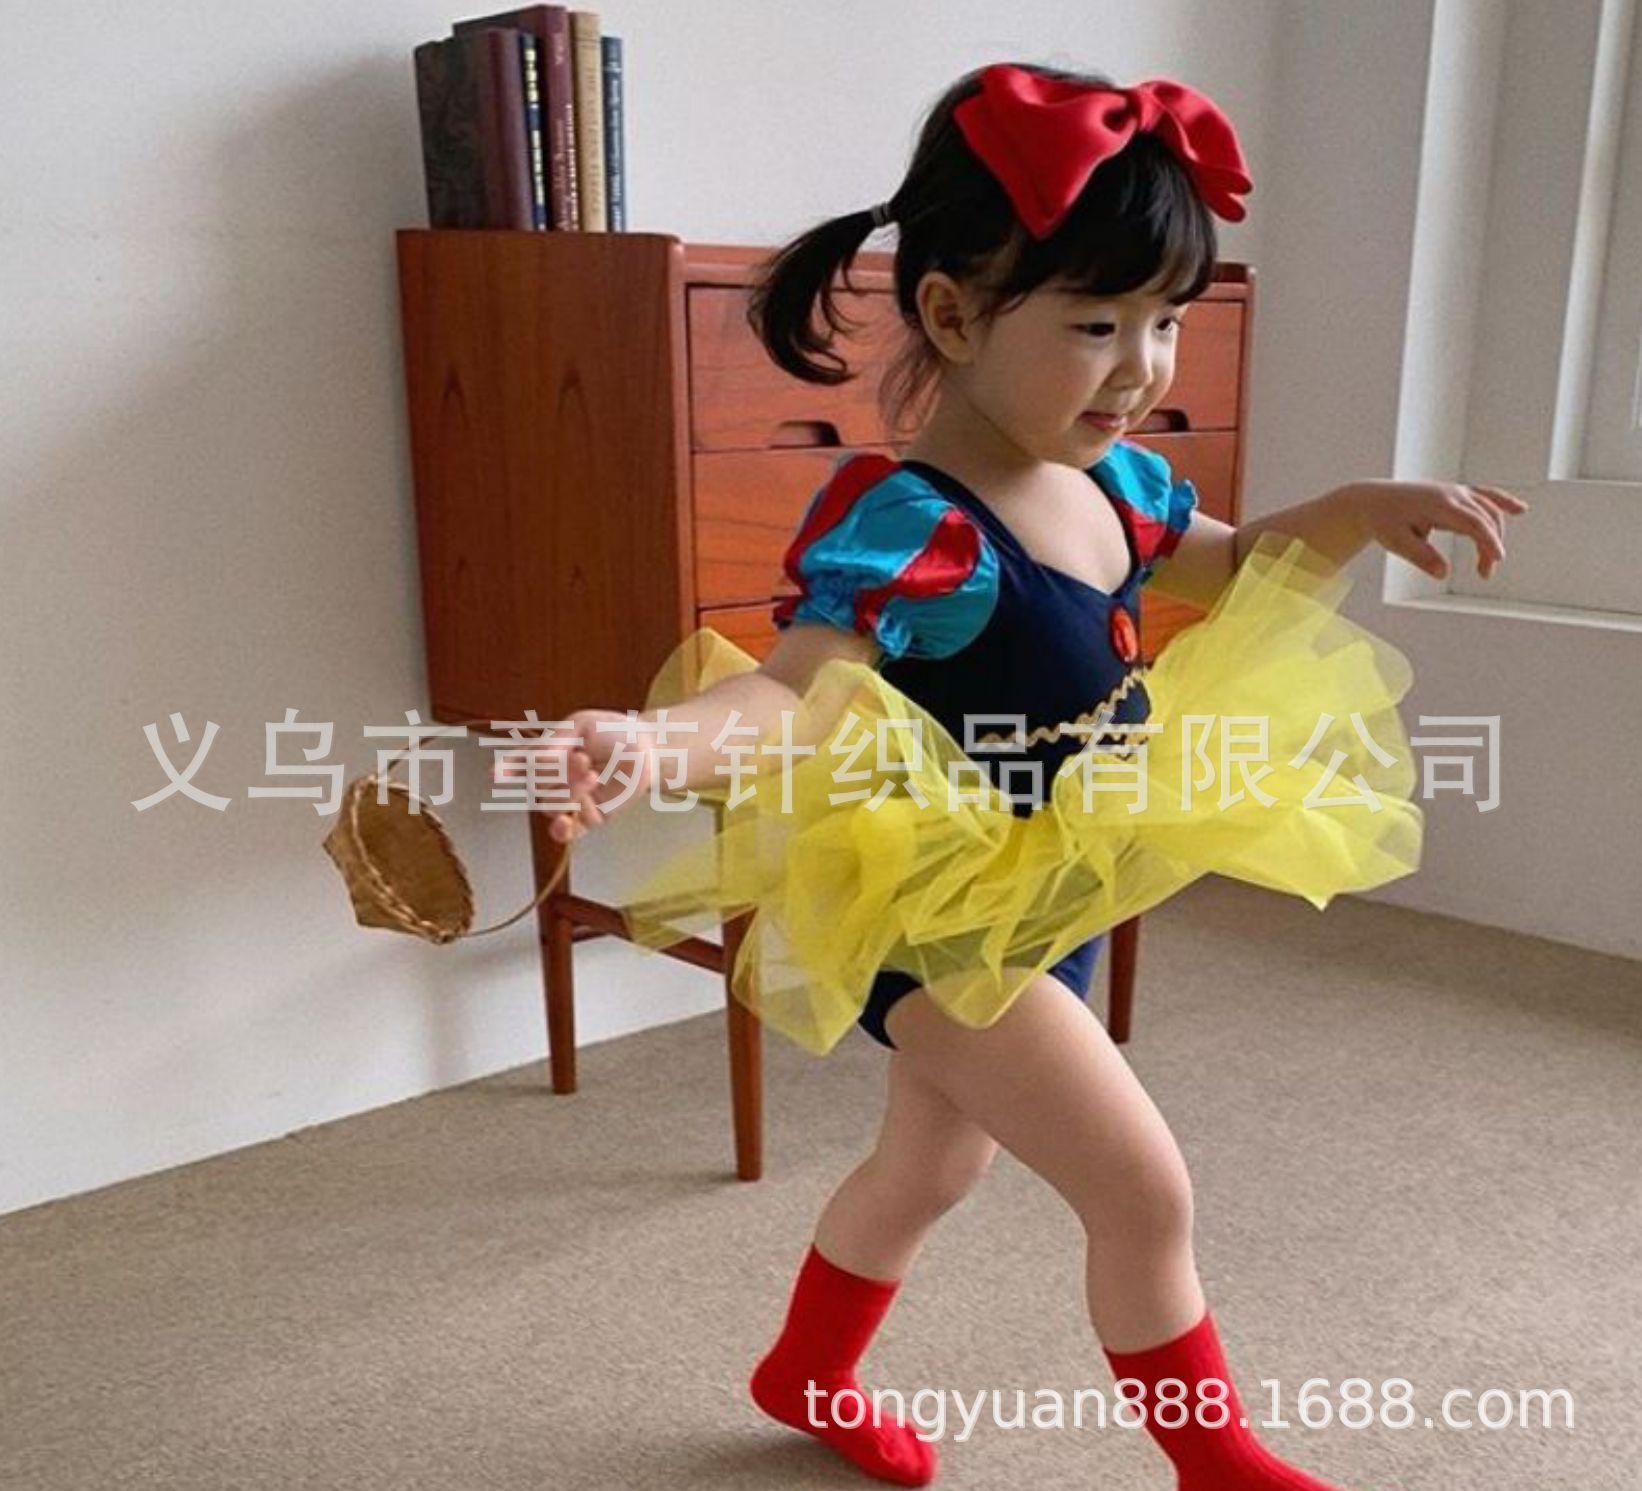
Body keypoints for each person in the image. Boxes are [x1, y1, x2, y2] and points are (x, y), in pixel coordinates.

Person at [502, 62, 1528, 1489]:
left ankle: (805, 1373)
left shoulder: (1116, 484)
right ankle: (1215, 1464)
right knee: (1141, 1187)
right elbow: (794, 692)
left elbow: (1239, 565)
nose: (1144, 365)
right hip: (932, 914)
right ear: (950, 315)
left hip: (1047, 892)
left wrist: (1352, 511)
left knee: (936, 1164)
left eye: (1167, 320)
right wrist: (652, 739)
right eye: (1097, 324)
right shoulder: (917, 525)